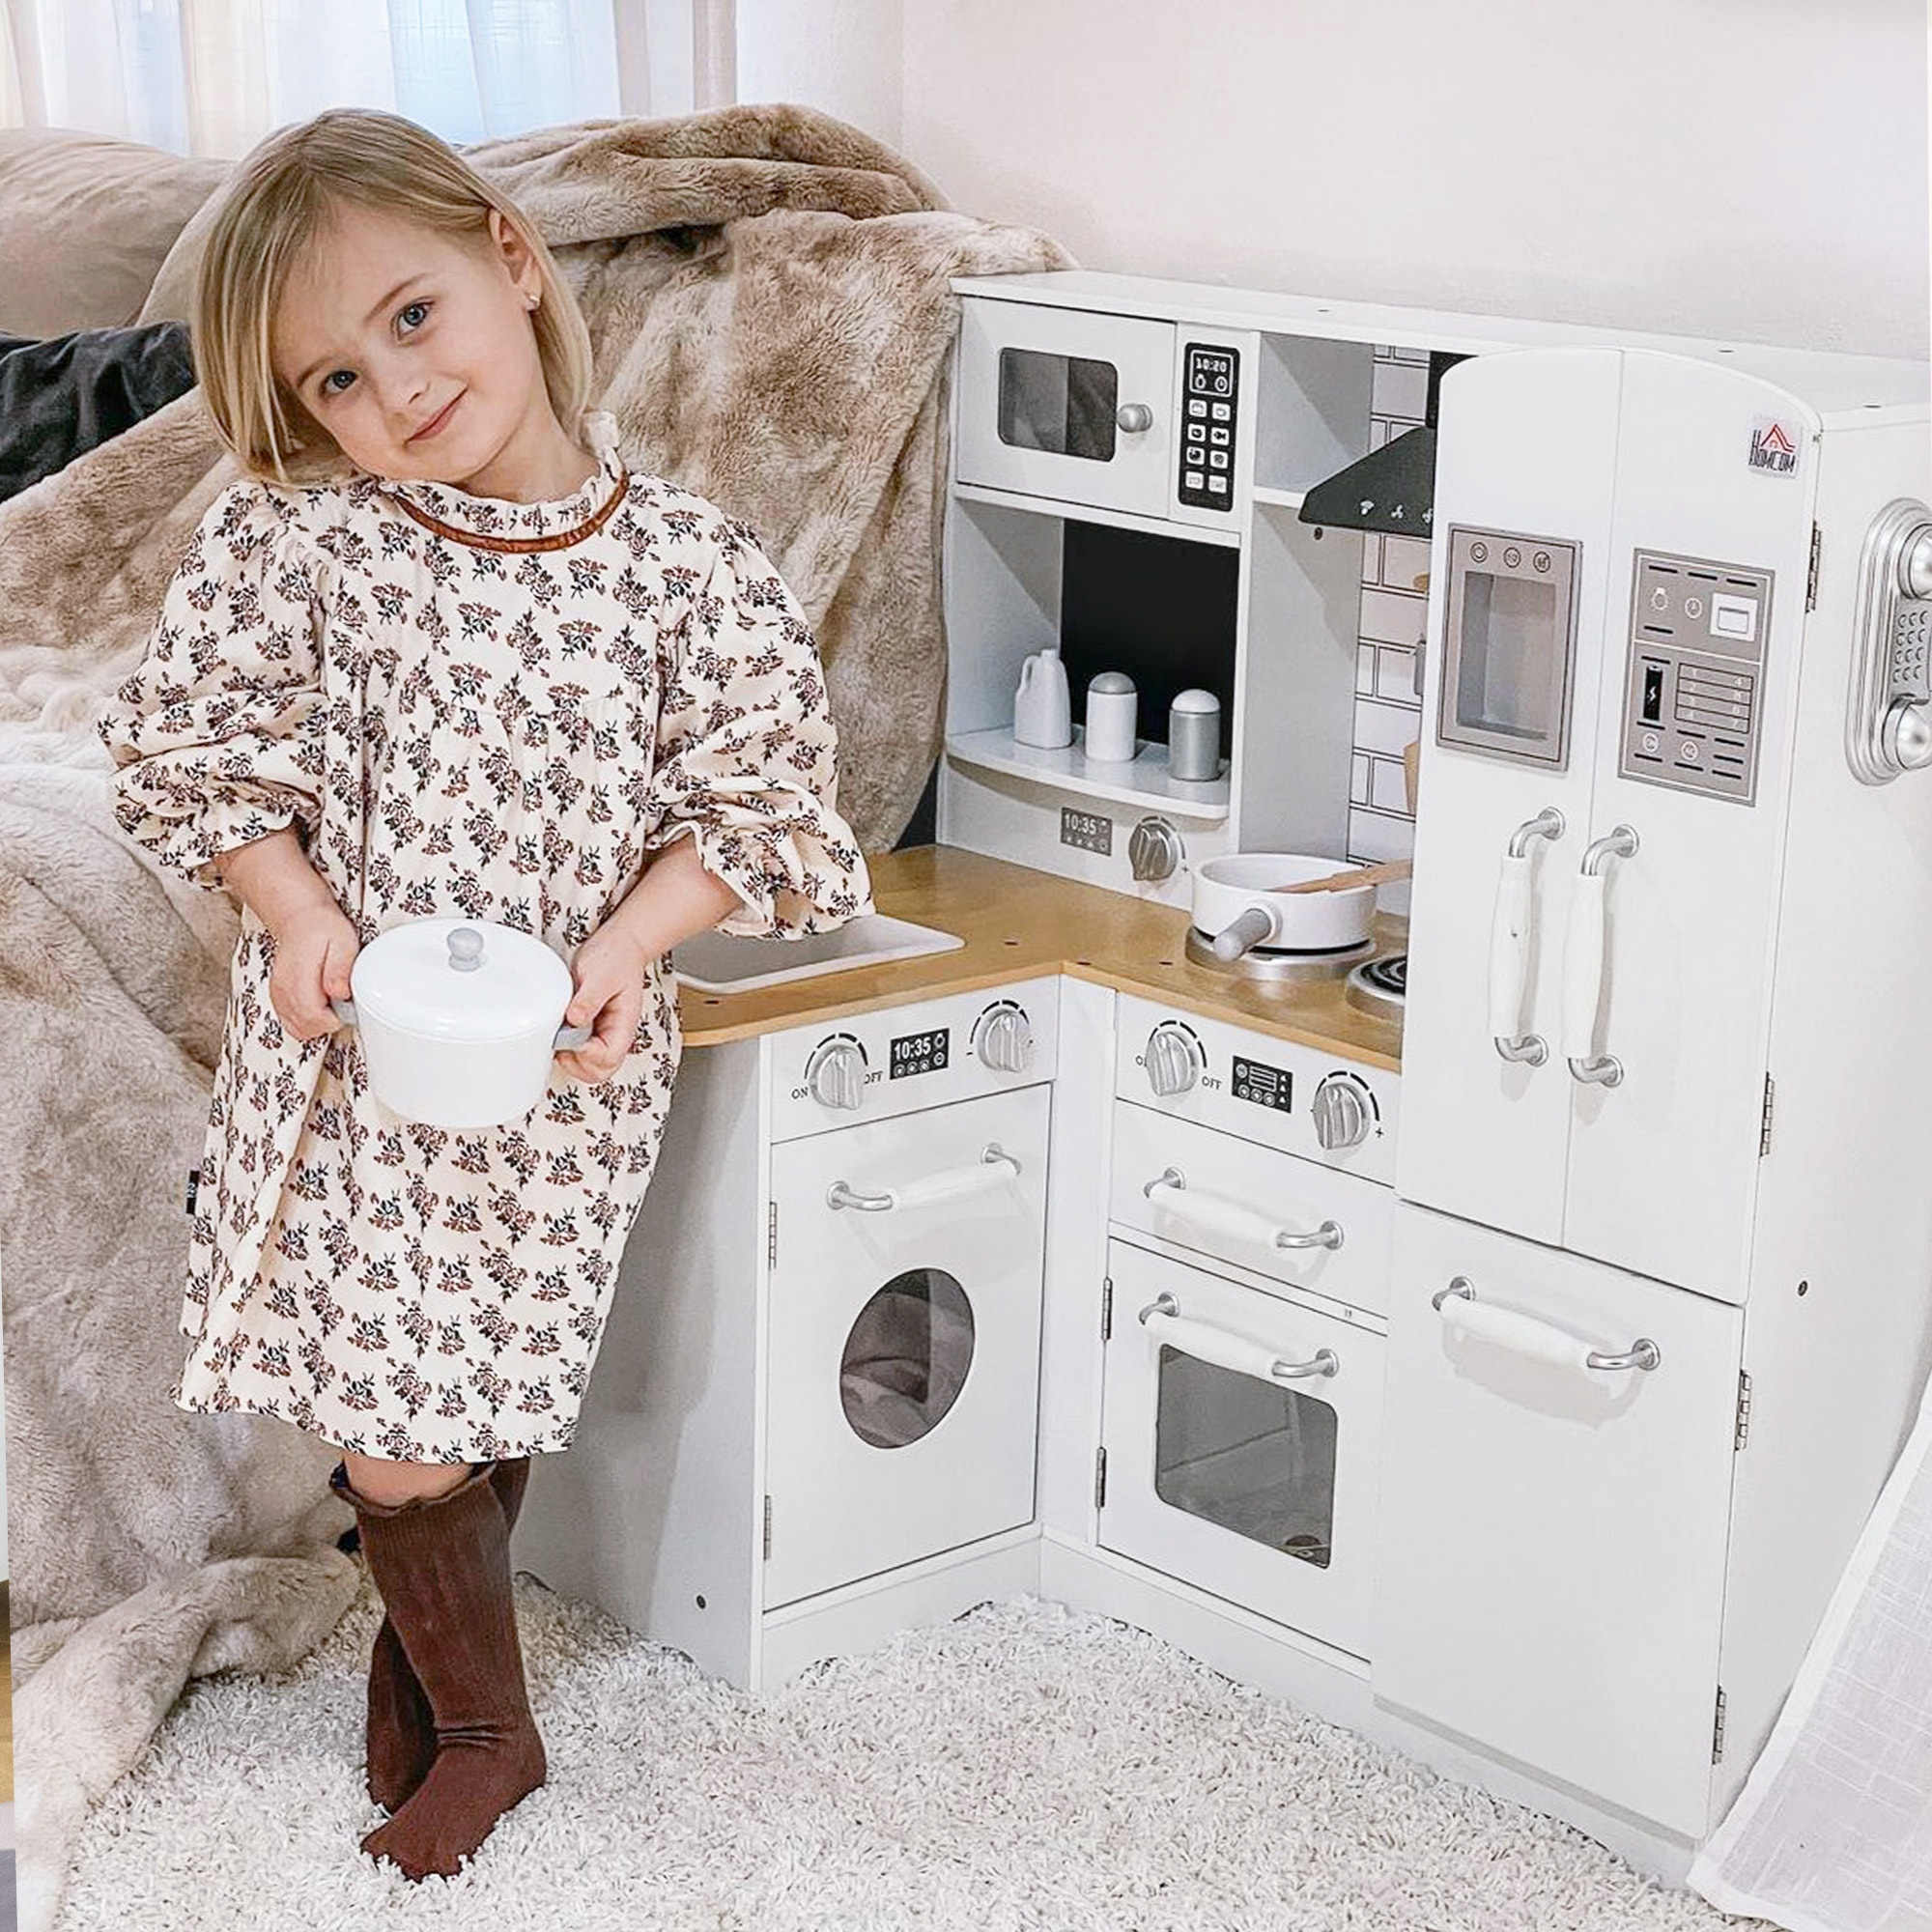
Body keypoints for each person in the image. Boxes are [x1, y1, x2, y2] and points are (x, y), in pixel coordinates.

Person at [95, 107, 874, 1883]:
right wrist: (287, 905)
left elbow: (762, 806)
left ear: (512, 263)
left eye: (414, 318)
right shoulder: (313, 547)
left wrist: (628, 945)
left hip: (559, 1067)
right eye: (339, 381)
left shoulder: (686, 569)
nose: (395, 391)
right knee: (393, 1414)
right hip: (362, 1063)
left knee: (459, 1396)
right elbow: (189, 751)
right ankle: (461, 1700)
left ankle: (459, 1705)